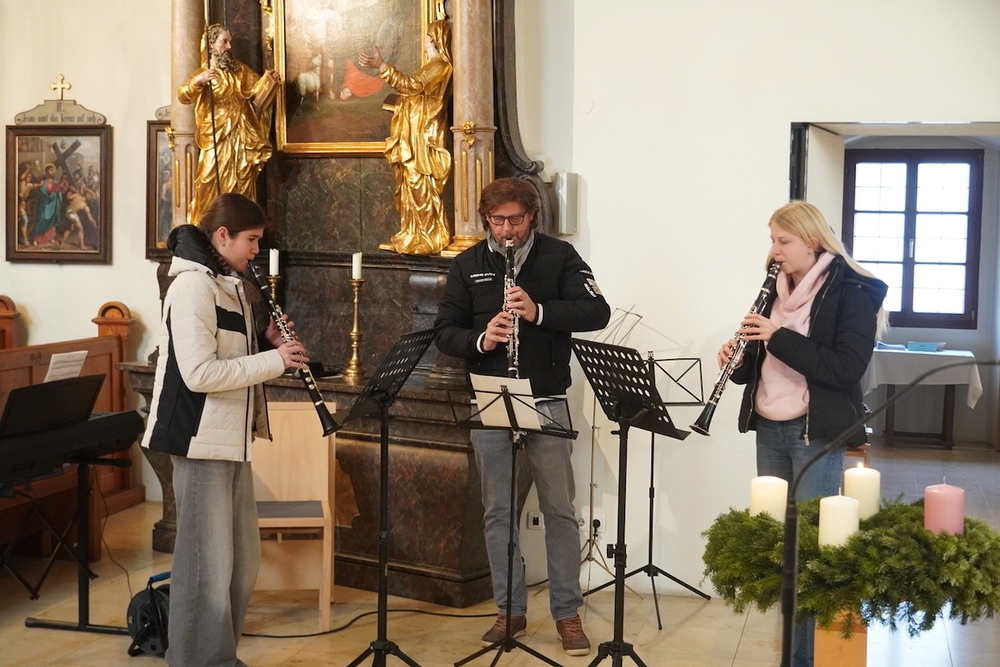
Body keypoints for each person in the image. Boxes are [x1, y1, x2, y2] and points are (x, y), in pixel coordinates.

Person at [435, 177, 611, 656]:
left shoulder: (560, 256)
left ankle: (567, 613)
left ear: (532, 216)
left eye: (515, 219)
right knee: (498, 510)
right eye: (497, 221)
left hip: (546, 397)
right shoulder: (468, 264)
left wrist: (538, 312)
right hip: (491, 395)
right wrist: (481, 339)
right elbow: (444, 331)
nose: (506, 230)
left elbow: (596, 312)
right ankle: (509, 610)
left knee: (559, 510)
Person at [140, 193, 310, 667]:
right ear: (222, 236)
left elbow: (231, 351)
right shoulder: (192, 286)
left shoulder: (226, 283)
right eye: (251, 240)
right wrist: (275, 361)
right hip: (199, 440)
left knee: (241, 561)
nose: (256, 250)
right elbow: (200, 374)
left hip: (229, 440)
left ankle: (220, 656)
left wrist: (267, 341)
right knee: (206, 568)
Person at [717, 200, 887, 667]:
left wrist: (776, 336)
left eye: (783, 241)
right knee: (778, 547)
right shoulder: (774, 287)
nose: (774, 251)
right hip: (769, 426)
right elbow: (763, 362)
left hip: (815, 430)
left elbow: (844, 368)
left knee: (811, 551)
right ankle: (792, 655)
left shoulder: (852, 292)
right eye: (772, 240)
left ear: (812, 242)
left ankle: (805, 659)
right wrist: (738, 359)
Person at [359, 19, 452, 255]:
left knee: (421, 187)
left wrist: (382, 66)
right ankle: (412, 235)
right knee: (409, 187)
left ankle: (428, 237)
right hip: (411, 135)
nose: (425, 43)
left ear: (434, 40)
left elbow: (411, 86)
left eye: (427, 38)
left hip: (422, 139)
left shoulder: (439, 65)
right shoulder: (431, 66)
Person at [178, 24, 280, 225]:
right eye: (224, 42)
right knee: (208, 179)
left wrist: (269, 82)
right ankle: (205, 226)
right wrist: (198, 80)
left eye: (230, 42)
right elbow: (183, 96)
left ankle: (240, 226)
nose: (229, 47)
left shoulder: (240, 71)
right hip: (217, 136)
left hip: (241, 136)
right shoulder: (204, 72)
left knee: (242, 180)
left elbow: (257, 90)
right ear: (211, 44)